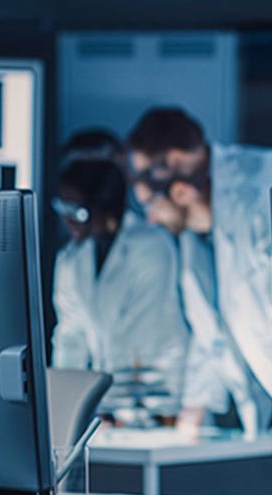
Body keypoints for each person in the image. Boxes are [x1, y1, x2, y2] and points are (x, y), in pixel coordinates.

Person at [126, 108, 272, 436]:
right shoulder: (197, 232)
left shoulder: (260, 199)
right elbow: (211, 334)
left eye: (149, 200)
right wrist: (194, 409)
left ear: (176, 170)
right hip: (271, 413)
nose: (150, 219)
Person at [51, 160, 189, 421]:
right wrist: (64, 407)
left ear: (103, 208)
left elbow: (141, 336)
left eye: (77, 210)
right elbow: (70, 336)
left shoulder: (151, 247)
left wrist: (110, 409)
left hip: (157, 399)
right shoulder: (71, 257)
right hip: (108, 403)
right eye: (63, 207)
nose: (67, 218)